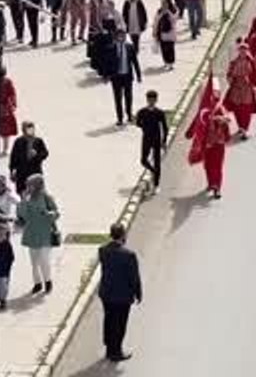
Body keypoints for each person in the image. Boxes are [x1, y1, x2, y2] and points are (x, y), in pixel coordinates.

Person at [97, 223, 142, 363]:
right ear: (123, 235)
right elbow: (134, 277)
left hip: (106, 293)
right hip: (122, 296)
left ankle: (109, 348)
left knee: (109, 319)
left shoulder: (102, 250)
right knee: (120, 324)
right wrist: (138, 293)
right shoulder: (129, 255)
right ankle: (116, 352)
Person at [16, 174, 60, 295]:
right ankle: (37, 283)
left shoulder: (46, 197)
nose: (28, 187)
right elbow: (22, 215)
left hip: (45, 233)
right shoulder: (27, 198)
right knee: (34, 262)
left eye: (30, 184)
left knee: (44, 260)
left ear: (37, 185)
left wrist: (49, 214)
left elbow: (56, 213)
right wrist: (23, 200)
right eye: (27, 185)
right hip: (32, 234)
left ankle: (48, 281)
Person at [223, 42, 256, 140]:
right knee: (237, 109)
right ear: (239, 51)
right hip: (236, 87)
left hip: (247, 88)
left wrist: (253, 83)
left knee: (246, 109)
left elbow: (255, 75)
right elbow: (229, 74)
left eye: (245, 50)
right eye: (241, 50)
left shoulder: (251, 62)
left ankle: (245, 129)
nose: (243, 52)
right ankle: (241, 127)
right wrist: (230, 78)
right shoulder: (234, 62)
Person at [105, 26, 141, 125]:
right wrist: (107, 75)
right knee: (118, 98)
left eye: (123, 35)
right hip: (116, 77)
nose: (121, 37)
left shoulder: (130, 47)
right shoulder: (111, 48)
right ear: (116, 37)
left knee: (128, 97)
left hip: (127, 76)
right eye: (119, 36)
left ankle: (129, 115)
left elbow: (135, 62)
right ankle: (120, 118)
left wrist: (138, 75)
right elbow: (107, 63)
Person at [136, 91, 169, 196]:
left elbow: (165, 127)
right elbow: (138, 123)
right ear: (147, 99)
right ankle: (154, 172)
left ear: (156, 100)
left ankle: (156, 185)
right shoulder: (142, 112)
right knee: (143, 160)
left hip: (156, 139)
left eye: (153, 99)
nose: (151, 101)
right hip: (146, 138)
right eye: (149, 99)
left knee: (157, 161)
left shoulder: (159, 113)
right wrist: (144, 128)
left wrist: (164, 141)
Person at [9, 121, 49, 195]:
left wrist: (37, 154)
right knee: (22, 192)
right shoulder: (18, 141)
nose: (30, 131)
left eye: (32, 128)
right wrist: (12, 171)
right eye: (28, 128)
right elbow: (13, 157)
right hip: (22, 172)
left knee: (37, 192)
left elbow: (45, 153)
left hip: (35, 171)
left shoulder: (38, 141)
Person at [154, 0, 177, 70]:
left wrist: (168, 12)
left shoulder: (173, 11)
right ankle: (166, 62)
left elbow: (174, 20)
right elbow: (156, 21)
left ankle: (171, 63)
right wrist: (154, 32)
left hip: (170, 34)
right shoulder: (159, 11)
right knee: (163, 49)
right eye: (162, 3)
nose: (163, 5)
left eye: (165, 3)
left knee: (170, 49)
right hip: (162, 34)